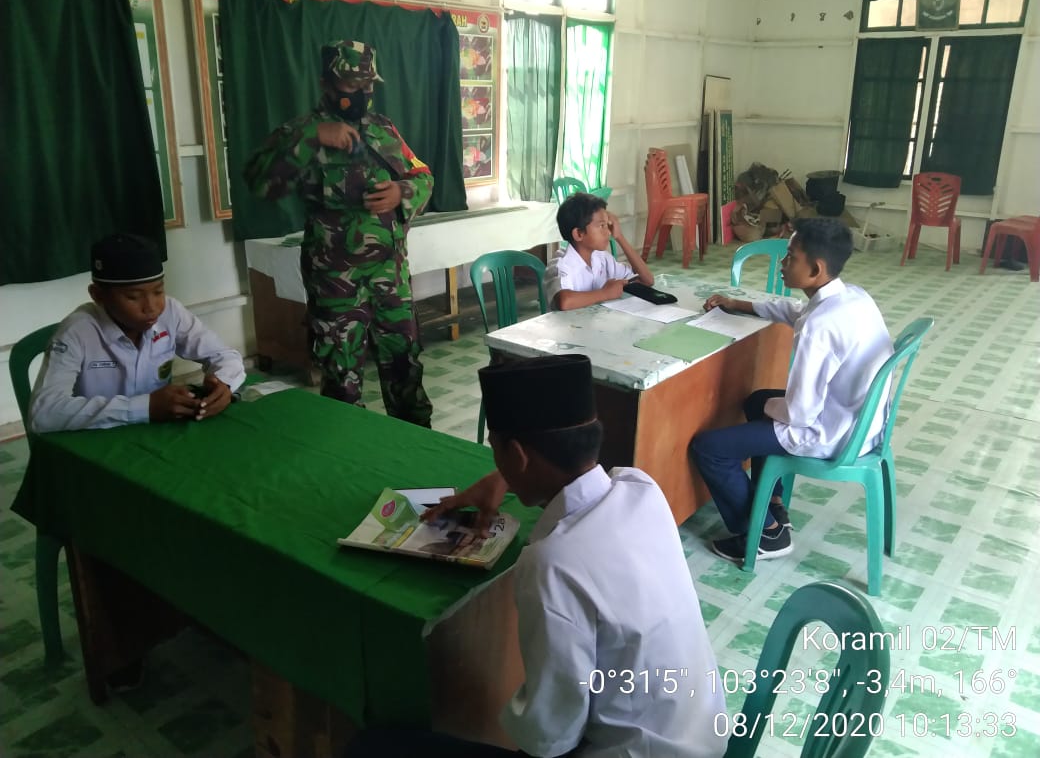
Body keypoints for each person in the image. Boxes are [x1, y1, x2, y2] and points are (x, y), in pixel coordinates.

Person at [349, 355, 726, 758]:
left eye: (496, 451)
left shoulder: (552, 562)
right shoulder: (640, 488)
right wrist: (505, 476)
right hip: (700, 731)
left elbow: (552, 734)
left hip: (634, 752)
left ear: (519, 455)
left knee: (373, 746)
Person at [244, 40, 434, 426]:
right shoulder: (299, 132)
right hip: (336, 284)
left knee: (405, 372)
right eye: (352, 86)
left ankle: (420, 450)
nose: (362, 93)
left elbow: (423, 176)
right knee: (341, 386)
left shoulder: (383, 129)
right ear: (325, 84)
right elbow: (260, 183)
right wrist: (311, 139)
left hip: (391, 279)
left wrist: (401, 192)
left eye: (368, 85)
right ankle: (347, 452)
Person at [689, 218, 893, 562]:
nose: (782, 263)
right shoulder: (853, 297)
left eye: (790, 257)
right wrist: (739, 304)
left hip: (832, 434)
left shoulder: (819, 326)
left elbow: (800, 414)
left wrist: (772, 407)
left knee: (709, 448)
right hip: (864, 423)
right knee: (757, 400)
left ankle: (766, 534)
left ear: (815, 269)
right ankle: (773, 501)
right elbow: (796, 311)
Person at [29, 233, 246, 433]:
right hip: (98, 440)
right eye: (133, 297)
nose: (151, 307)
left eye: (158, 291)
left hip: (156, 434)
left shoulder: (171, 312)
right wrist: (145, 407)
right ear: (98, 295)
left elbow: (224, 355)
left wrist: (223, 383)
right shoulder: (77, 331)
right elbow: (44, 412)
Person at [544, 192, 654, 311]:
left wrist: (619, 237)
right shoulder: (561, 265)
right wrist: (605, 293)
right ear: (579, 234)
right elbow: (565, 302)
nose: (608, 232)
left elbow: (647, 280)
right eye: (602, 226)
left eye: (607, 225)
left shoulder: (602, 258)